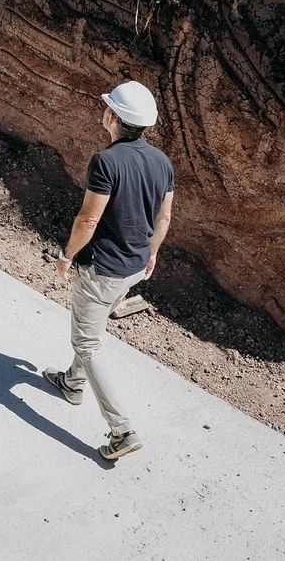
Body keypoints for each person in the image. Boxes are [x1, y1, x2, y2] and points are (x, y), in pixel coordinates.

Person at [44, 80, 174, 461]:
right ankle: (72, 382)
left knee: (87, 343)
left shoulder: (107, 161)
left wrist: (67, 256)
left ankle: (122, 431)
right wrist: (152, 254)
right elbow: (163, 216)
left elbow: (88, 218)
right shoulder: (163, 162)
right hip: (134, 268)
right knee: (93, 325)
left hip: (102, 269)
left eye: (108, 108)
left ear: (113, 118)